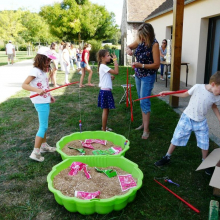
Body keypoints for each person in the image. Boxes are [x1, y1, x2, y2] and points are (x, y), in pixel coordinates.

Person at [154, 71, 220, 175]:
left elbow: (214, 106)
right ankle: (167, 156)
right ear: (213, 84)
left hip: (201, 122)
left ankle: (205, 162)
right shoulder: (198, 87)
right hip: (187, 118)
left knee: (204, 143)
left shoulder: (216, 96)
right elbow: (184, 94)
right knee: (177, 137)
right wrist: (167, 92)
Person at [22, 47, 57, 162]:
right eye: (47, 60)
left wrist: (49, 95)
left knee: (44, 124)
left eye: (50, 61)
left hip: (44, 100)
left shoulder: (42, 71)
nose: (49, 63)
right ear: (41, 59)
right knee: (43, 126)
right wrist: (37, 90)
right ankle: (35, 152)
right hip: (40, 101)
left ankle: (43, 146)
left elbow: (45, 86)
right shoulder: (35, 71)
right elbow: (24, 85)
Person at [126, 23, 160, 139]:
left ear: (148, 34)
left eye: (143, 36)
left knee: (144, 101)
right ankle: (143, 124)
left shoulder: (154, 44)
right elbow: (129, 46)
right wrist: (128, 50)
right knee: (141, 99)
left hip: (147, 76)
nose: (140, 38)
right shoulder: (140, 41)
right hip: (138, 75)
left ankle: (146, 130)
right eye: (140, 36)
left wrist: (141, 65)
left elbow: (156, 65)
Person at [97, 50, 119, 131]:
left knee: (106, 110)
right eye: (108, 55)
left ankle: (104, 127)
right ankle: (103, 130)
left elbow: (105, 76)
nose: (110, 57)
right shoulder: (103, 66)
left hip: (105, 91)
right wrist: (115, 60)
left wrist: (110, 77)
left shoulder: (102, 66)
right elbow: (116, 72)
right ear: (103, 58)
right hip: (105, 92)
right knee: (105, 111)